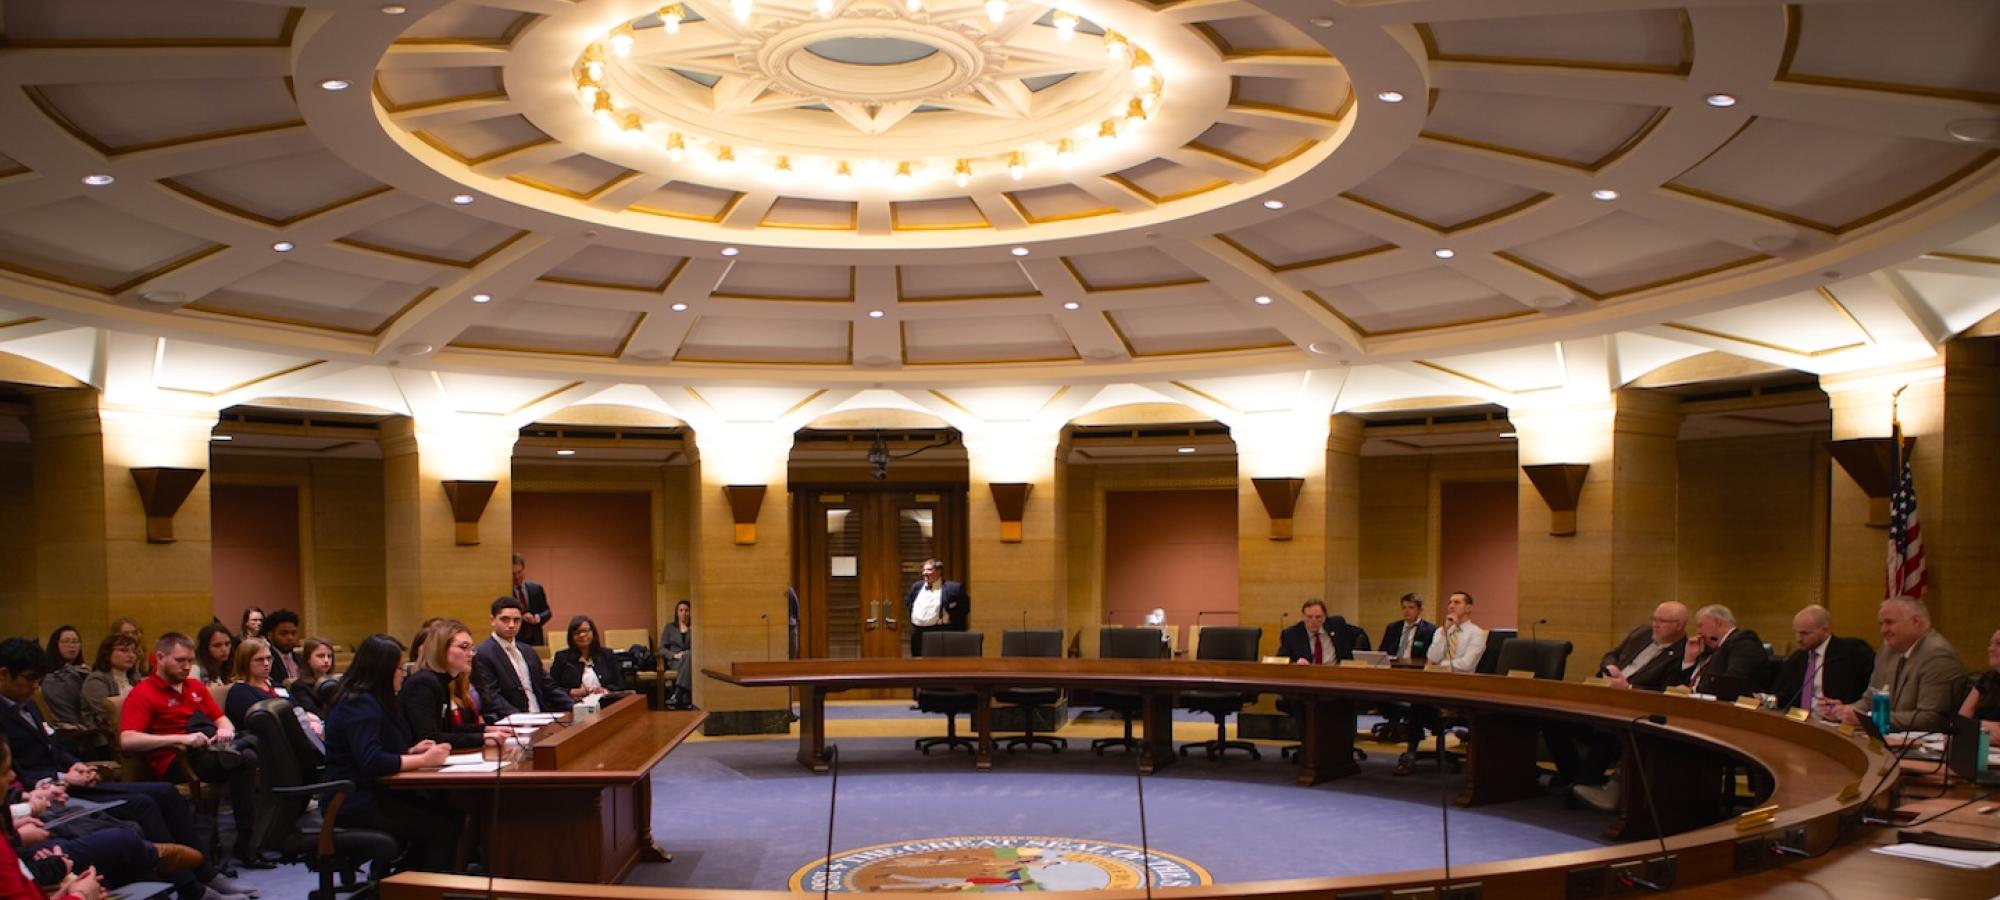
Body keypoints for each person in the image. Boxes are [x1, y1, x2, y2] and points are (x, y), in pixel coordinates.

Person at [0, 639, 257, 900]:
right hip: (46, 793)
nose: (35, 687)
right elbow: (14, 773)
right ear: (3, 674)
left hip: (70, 782)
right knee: (143, 804)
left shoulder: (29, 704)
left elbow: (53, 746)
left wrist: (74, 765)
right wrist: (61, 777)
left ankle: (207, 873)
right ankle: (191, 888)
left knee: (167, 793)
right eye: (29, 679)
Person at [117, 634, 267, 868]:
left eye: (190, 661)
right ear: (160, 658)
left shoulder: (194, 686)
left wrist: (225, 731)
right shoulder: (143, 692)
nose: (187, 666)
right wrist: (182, 739)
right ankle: (246, 845)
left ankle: (247, 838)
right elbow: (127, 740)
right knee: (245, 757)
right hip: (176, 759)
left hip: (209, 748)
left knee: (247, 756)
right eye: (180, 660)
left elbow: (222, 719)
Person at [321, 634, 458, 873]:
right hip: (354, 801)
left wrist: (410, 751)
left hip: (374, 792)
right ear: (381, 671)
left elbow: (374, 749)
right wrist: (423, 760)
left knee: (450, 816)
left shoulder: (375, 700)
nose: (403, 673)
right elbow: (371, 760)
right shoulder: (358, 703)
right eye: (397, 668)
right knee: (442, 828)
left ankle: (404, 883)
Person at [1557, 602, 1689, 808]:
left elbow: (1664, 693)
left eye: (1662, 621)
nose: (1655, 625)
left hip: (1632, 707)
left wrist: (1627, 688)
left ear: (1680, 625)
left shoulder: (1682, 654)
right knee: (1557, 720)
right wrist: (1610, 667)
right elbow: (1612, 654)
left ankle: (1581, 788)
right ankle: (1570, 775)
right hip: (1603, 694)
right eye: (1654, 619)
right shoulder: (1642, 633)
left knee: (1606, 731)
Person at [1831, 596, 1964, 734]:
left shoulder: (1938, 655)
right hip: (1885, 737)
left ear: (1916, 622)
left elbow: (1931, 718)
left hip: (1918, 745)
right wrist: (1844, 712)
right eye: (1881, 624)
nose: (1883, 630)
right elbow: (1869, 699)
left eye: (1889, 622)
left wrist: (1868, 719)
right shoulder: (1887, 650)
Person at [1394, 591, 1485, 776]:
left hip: (1461, 689)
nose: (1451, 605)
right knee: (1417, 700)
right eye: (1450, 601)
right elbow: (1432, 657)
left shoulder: (1476, 634)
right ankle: (1411, 751)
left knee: (1418, 703)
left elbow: (1466, 665)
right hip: (1436, 687)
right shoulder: (1441, 631)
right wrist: (1444, 632)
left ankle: (1411, 751)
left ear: (1469, 608)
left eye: (1457, 602)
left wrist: (1439, 667)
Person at [402, 620, 512, 751]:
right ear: (441, 649)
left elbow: (449, 728)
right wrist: (483, 738)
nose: (471, 654)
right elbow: (429, 737)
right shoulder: (422, 684)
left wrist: (487, 729)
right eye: (464, 647)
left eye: (472, 648)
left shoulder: (441, 681)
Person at [472, 598, 572, 719]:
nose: (511, 625)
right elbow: (492, 696)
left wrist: (577, 707)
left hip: (542, 717)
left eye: (516, 620)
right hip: (510, 722)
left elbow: (549, 687)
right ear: (493, 620)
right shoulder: (482, 653)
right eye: (505, 619)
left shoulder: (528, 651)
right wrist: (523, 718)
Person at [1772, 604, 1873, 714]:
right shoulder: (1798, 657)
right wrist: (1769, 700)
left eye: (1804, 633)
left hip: (1835, 722)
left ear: (1826, 630)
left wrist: (1846, 708)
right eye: (1796, 632)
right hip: (1801, 721)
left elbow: (1868, 693)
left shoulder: (1851, 652)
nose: (1798, 639)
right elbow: (1788, 695)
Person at [1676, 605, 1765, 701]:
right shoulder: (1711, 648)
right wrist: (1689, 660)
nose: (1698, 632)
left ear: (1717, 622)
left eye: (1700, 626)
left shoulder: (1743, 640)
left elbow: (1731, 681)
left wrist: (1693, 691)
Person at [76, 635, 140, 747]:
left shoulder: (134, 679)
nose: (131, 655)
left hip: (135, 732)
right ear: (107, 654)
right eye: (123, 650)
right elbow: (109, 715)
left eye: (133, 651)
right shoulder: (96, 680)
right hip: (106, 740)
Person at [904, 558, 970, 658]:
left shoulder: (954, 588)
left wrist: (949, 619)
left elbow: (964, 608)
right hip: (917, 632)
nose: (924, 573)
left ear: (939, 571)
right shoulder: (916, 586)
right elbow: (909, 601)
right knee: (918, 663)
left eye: (929, 570)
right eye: (923, 570)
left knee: (938, 662)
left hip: (940, 631)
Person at [550, 616, 622, 702]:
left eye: (585, 631)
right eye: (577, 633)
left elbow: (619, 684)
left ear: (593, 632)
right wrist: (571, 692)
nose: (582, 635)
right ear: (571, 637)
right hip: (573, 705)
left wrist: (605, 690)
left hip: (605, 704)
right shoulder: (562, 657)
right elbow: (551, 687)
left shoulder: (607, 655)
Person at [1278, 599, 1365, 666]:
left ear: (1325, 617)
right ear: (1303, 617)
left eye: (1318, 617)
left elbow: (1360, 634)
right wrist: (1295, 663)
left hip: (1336, 675)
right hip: (1307, 678)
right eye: (1309, 617)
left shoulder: (1337, 625)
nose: (1313, 621)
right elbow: (1281, 661)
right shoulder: (1291, 634)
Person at [1956, 627, 2000, 743]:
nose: (1990, 649)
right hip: (1981, 746)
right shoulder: (1987, 678)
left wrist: (1975, 727)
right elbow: (1961, 721)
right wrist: (1986, 727)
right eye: (1990, 644)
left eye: (1998, 644)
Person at [509, 554, 554, 647]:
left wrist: (538, 617)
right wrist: (521, 617)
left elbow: (548, 612)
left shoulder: (536, 588)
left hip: (536, 639)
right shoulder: (505, 591)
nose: (517, 577)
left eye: (519, 572)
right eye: (513, 574)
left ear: (524, 570)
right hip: (515, 640)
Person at [1380, 593, 1435, 663]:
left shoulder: (1430, 630)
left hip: (1415, 669)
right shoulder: (1392, 628)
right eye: (1404, 607)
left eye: (1411, 607)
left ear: (1420, 610)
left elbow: (1429, 657)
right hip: (1392, 666)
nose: (1407, 611)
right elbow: (1382, 652)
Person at [289, 638, 336, 717]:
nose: (326, 660)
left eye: (329, 656)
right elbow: (313, 712)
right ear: (308, 659)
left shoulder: (334, 683)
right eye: (320, 656)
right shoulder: (299, 686)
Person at [660, 600, 693, 710]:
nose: (684, 613)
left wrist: (687, 653)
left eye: (687, 610)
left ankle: (678, 693)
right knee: (687, 657)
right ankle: (683, 696)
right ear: (677, 613)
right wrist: (674, 655)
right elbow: (661, 649)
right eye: (681, 610)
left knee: (689, 655)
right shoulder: (669, 628)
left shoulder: (695, 628)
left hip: (691, 661)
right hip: (675, 662)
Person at [258, 611, 301, 687]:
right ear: (270, 635)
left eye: (293, 633)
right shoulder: (266, 661)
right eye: (284, 634)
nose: (290, 638)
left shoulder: (300, 658)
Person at [192, 624, 235, 688]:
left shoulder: (227, 667)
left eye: (227, 644)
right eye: (217, 645)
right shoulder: (196, 670)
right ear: (205, 648)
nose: (224, 649)